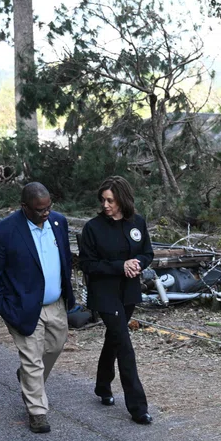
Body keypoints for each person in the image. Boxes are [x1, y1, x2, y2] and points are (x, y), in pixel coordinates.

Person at [0, 182, 75, 434]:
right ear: (24, 207)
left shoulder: (59, 222)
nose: (45, 213)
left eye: (48, 208)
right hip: (22, 306)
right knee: (32, 359)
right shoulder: (4, 232)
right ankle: (37, 412)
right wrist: (3, 307)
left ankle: (26, 378)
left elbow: (65, 259)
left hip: (55, 303)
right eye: (39, 210)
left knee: (55, 346)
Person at [79, 176, 153, 425]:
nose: (106, 205)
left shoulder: (137, 223)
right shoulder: (93, 228)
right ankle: (138, 407)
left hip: (129, 292)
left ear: (122, 199)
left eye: (110, 200)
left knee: (113, 339)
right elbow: (88, 264)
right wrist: (119, 266)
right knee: (124, 344)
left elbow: (147, 253)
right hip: (105, 293)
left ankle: (102, 386)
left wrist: (138, 263)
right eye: (103, 200)